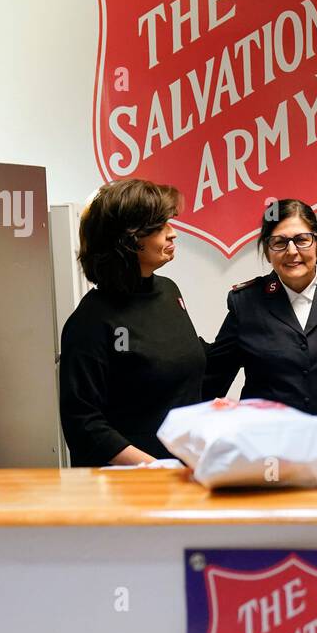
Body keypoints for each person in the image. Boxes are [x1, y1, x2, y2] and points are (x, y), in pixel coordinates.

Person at [59, 179, 206, 466]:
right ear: (128, 240)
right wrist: (155, 469)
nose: (173, 234)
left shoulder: (169, 292)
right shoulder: (92, 321)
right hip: (131, 488)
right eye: (160, 228)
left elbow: (182, 370)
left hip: (184, 476)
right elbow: (84, 425)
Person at [203, 199, 317, 420]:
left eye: (302, 240)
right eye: (279, 242)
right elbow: (210, 382)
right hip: (269, 445)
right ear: (267, 251)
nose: (292, 251)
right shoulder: (246, 303)